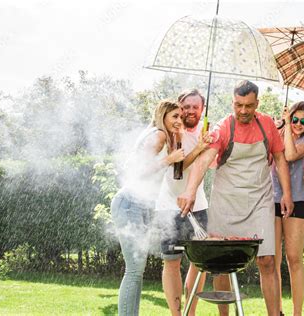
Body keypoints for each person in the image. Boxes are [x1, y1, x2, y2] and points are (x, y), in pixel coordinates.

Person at [177, 80, 294, 316]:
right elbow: (203, 160)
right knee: (221, 266)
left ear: (256, 104)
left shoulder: (268, 125)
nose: (242, 111)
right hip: (226, 202)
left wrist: (287, 194)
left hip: (259, 200)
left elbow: (280, 158)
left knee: (268, 261)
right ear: (233, 102)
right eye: (238, 105)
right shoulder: (224, 127)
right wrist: (190, 191)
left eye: (248, 106)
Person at [110, 100, 186, 316]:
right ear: (163, 116)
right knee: (134, 270)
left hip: (138, 204)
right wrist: (169, 159)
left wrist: (177, 141)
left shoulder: (161, 135)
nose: (179, 121)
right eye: (175, 117)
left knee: (137, 270)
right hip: (130, 203)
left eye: (181, 117)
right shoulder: (159, 135)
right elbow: (138, 172)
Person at [155, 89, 212, 316]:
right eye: (185, 107)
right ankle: (176, 314)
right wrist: (197, 148)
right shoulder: (169, 132)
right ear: (179, 107)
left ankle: (190, 313)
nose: (189, 111)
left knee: (198, 264)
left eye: (194, 107)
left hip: (198, 206)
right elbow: (176, 170)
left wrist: (205, 145)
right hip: (168, 206)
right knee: (171, 262)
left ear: (202, 110)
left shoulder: (208, 133)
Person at [271, 102, 304, 316]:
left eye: (303, 121)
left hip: (298, 201)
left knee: (294, 258)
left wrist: (287, 126)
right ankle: (277, 311)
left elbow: (289, 155)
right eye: (295, 119)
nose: (298, 124)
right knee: (273, 260)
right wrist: (277, 130)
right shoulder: (279, 132)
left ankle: (297, 313)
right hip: (272, 200)